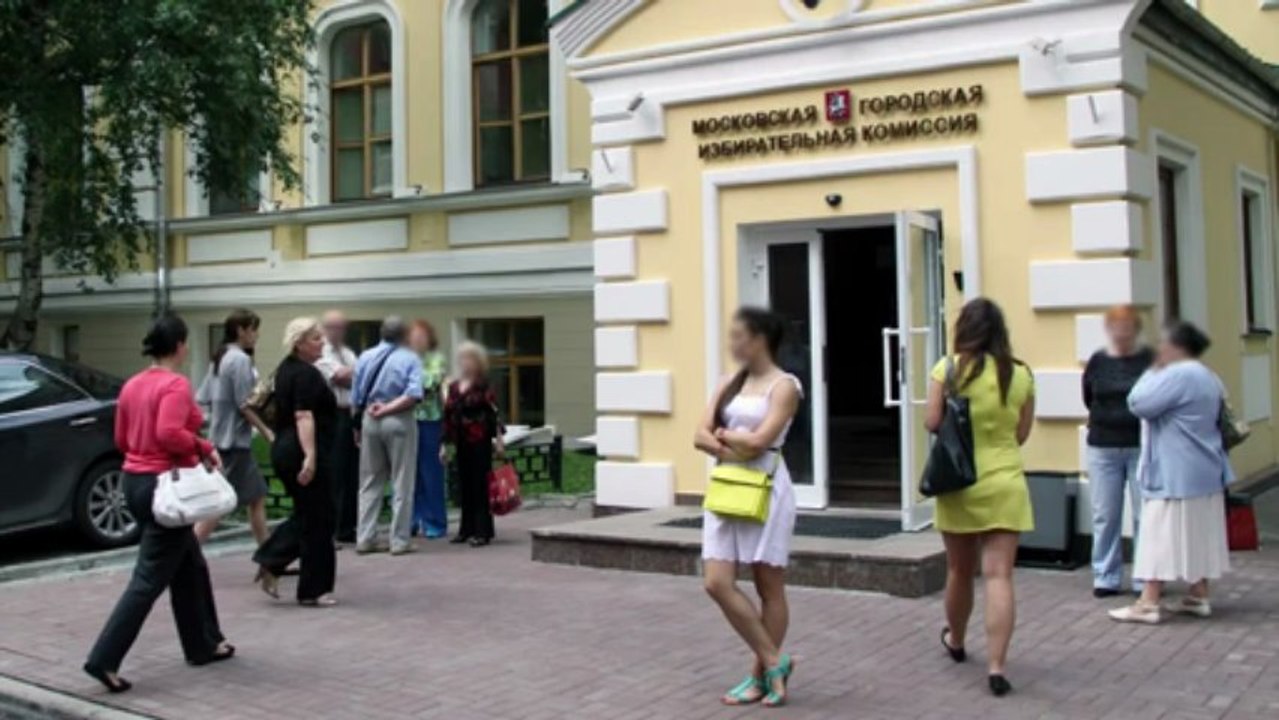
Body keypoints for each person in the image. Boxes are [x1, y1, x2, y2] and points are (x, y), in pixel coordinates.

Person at [84, 314, 233, 694]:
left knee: (190, 564)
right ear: (180, 346)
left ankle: (204, 643)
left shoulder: (133, 384)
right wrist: (202, 446)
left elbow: (122, 438)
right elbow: (169, 433)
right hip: (164, 487)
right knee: (148, 579)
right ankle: (104, 659)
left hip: (133, 481)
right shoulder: (175, 385)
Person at [924, 298, 1035, 698]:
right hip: (1005, 481)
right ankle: (997, 666)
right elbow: (1021, 433)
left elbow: (932, 422)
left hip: (960, 481)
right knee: (999, 574)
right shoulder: (1020, 374)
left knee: (959, 570)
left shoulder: (949, 369)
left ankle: (956, 639)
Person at [692, 308, 801, 708]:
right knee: (716, 582)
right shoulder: (729, 382)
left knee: (768, 586)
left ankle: (758, 677)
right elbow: (698, 435)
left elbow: (759, 442)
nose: (733, 343)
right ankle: (775, 661)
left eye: (739, 335)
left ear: (760, 339)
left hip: (766, 489)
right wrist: (732, 444)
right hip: (727, 486)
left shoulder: (785, 386)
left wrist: (723, 435)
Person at [1109, 321, 1233, 625]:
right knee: (1198, 532)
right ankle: (1198, 594)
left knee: (1160, 534)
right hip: (1206, 468)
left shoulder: (1178, 374)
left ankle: (1148, 602)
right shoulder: (1208, 375)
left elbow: (1138, 402)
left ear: (1177, 347)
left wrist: (1153, 370)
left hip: (1174, 471)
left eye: (1164, 344)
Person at [252, 318, 339, 606]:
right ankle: (313, 589)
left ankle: (272, 561)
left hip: (286, 448)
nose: (322, 342)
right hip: (301, 451)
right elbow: (303, 416)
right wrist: (310, 457)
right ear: (299, 343)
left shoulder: (285, 370)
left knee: (310, 514)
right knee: (320, 519)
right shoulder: (305, 374)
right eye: (315, 338)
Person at [1082, 305, 1153, 598]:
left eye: (1127, 326)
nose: (1122, 332)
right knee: (1105, 514)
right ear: (1109, 329)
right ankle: (1105, 576)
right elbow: (1088, 396)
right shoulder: (1098, 361)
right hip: (1102, 446)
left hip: (1140, 445)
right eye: (1116, 326)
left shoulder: (1149, 360)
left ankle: (1144, 577)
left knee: (1144, 514)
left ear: (1136, 329)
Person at [194, 309, 271, 545]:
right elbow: (244, 404)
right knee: (221, 503)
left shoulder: (220, 357)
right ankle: (187, 551)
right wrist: (267, 431)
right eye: (253, 329)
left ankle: (267, 553)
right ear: (241, 331)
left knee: (256, 496)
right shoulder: (240, 360)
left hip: (220, 437)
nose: (256, 335)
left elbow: (204, 396)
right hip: (234, 441)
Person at [352, 316, 423, 555]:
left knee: (369, 481)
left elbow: (356, 396)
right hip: (399, 420)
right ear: (404, 335)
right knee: (402, 480)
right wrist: (388, 408)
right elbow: (413, 394)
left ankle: (365, 537)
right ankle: (399, 540)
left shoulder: (365, 356)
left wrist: (357, 427)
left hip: (370, 419)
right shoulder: (410, 358)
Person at [440, 341, 504, 548]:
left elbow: (494, 413)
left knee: (480, 484)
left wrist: (499, 439)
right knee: (464, 484)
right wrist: (444, 444)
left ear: (478, 361)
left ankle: (482, 531)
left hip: (479, 439)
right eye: (462, 358)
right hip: (461, 440)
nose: (465, 362)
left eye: (469, 358)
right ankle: (465, 529)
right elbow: (448, 416)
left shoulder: (483, 385)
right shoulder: (454, 386)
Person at [315, 310, 360, 546]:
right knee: (335, 472)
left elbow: (359, 379)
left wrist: (357, 373)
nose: (337, 332)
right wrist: (360, 370)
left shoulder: (348, 352)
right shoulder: (321, 352)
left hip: (351, 414)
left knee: (352, 473)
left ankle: (347, 527)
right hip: (332, 415)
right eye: (333, 327)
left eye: (341, 327)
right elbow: (339, 376)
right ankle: (332, 528)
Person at [409, 320, 449, 539]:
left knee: (431, 473)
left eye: (421, 336)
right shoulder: (404, 358)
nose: (417, 339)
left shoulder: (436, 358)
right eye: (414, 335)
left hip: (431, 421)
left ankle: (434, 521)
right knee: (408, 473)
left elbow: (431, 381)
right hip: (408, 420)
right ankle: (411, 520)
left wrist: (412, 385)